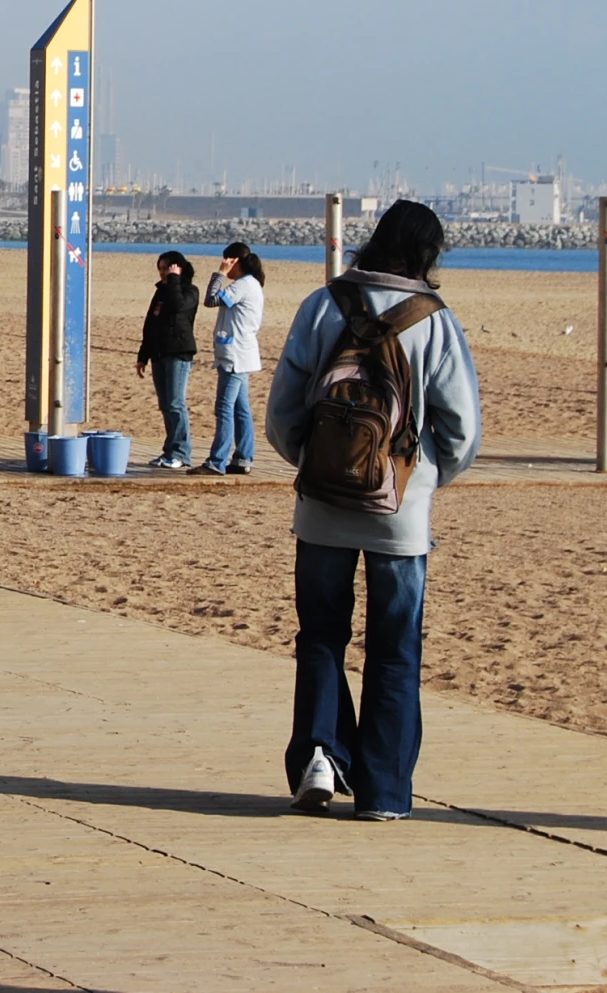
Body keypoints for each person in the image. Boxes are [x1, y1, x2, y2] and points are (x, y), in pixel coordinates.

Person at [267, 199, 480, 821]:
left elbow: (283, 412)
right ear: (428, 255)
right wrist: (424, 483)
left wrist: (314, 465)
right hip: (400, 515)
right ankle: (384, 792)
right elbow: (462, 429)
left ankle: (319, 759)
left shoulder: (322, 305)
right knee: (394, 647)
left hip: (322, 508)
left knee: (322, 637)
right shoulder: (433, 321)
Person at [196, 241, 266, 475]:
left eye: (228, 261)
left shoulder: (244, 285)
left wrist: (220, 274)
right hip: (239, 353)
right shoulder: (249, 284)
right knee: (240, 408)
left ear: (235, 262)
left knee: (224, 408)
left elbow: (211, 300)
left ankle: (217, 461)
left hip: (235, 355)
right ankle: (244, 458)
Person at [136, 252, 200, 469]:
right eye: (161, 268)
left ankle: (181, 452)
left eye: (167, 268)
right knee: (165, 404)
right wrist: (143, 355)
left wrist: (174, 280)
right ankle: (170, 450)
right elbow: (151, 324)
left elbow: (178, 305)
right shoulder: (160, 292)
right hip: (159, 354)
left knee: (175, 403)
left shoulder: (189, 291)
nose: (163, 272)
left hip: (178, 353)